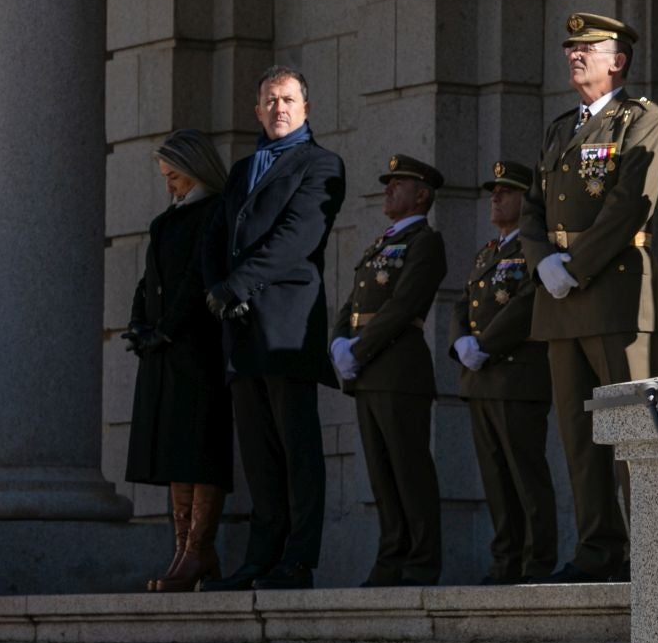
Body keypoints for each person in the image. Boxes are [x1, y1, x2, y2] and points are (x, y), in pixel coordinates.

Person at [521, 12, 658, 584]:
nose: (575, 55)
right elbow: (533, 209)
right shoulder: (560, 129)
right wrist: (543, 263)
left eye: (588, 48)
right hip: (558, 298)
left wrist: (574, 267)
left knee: (633, 431)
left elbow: (630, 204)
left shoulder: (640, 119)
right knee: (578, 436)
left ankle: (648, 550)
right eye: (570, 48)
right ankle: (597, 548)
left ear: (618, 61)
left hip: (613, 292)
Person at [202, 66, 346, 592]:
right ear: (257, 111)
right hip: (240, 327)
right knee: (259, 455)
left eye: (288, 100)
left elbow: (296, 236)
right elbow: (216, 233)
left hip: (286, 326)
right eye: (270, 101)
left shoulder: (321, 164)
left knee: (297, 449)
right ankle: (259, 559)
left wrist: (236, 285)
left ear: (306, 108)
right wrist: (217, 286)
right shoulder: (243, 170)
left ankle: (298, 559)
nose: (279, 108)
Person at [330, 155, 449, 587]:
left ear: (421, 194)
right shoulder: (380, 244)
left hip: (398, 368)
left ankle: (420, 562)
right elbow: (352, 302)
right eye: (389, 183)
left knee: (408, 470)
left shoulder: (424, 242)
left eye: (399, 184)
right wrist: (338, 340)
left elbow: (402, 306)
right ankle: (391, 557)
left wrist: (358, 347)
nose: (389, 189)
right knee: (381, 474)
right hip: (368, 371)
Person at [123, 131, 234, 592]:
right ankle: (185, 550)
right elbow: (152, 279)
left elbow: (196, 279)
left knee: (198, 447)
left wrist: (168, 325)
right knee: (173, 450)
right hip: (165, 349)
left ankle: (198, 549)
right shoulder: (167, 220)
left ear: (197, 170)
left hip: (198, 346)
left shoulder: (215, 212)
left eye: (175, 176)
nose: (169, 186)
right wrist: (140, 322)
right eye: (166, 177)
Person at [451, 161, 557, 584]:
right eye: (493, 191)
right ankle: (506, 561)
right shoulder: (487, 253)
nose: (495, 198)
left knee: (525, 475)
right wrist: (460, 341)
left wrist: (485, 344)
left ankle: (537, 562)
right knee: (495, 479)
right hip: (480, 378)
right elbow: (463, 303)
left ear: (525, 200)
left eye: (506, 192)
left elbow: (529, 301)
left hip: (516, 376)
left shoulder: (533, 248)